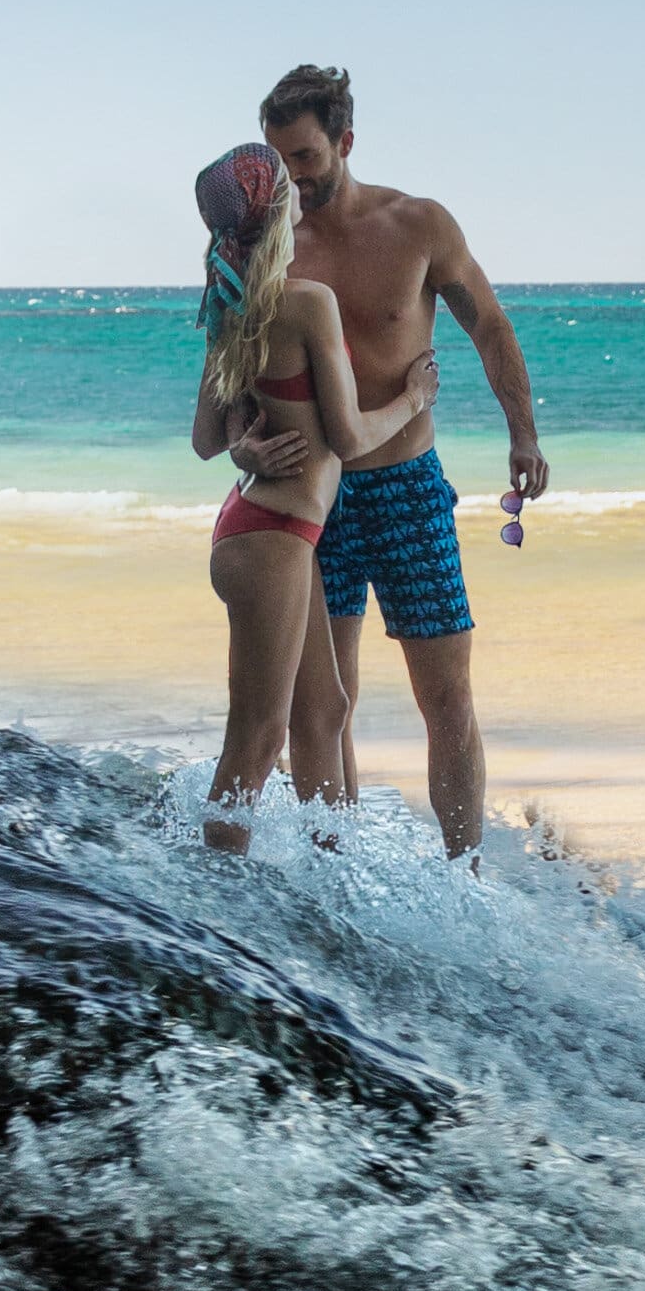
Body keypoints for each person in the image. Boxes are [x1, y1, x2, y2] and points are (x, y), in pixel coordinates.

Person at [219, 60, 552, 853]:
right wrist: (241, 441)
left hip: (407, 488)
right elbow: (234, 376)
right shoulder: (270, 249)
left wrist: (523, 432)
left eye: (304, 157)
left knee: (447, 698)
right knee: (322, 708)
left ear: (345, 142)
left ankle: (463, 874)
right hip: (311, 496)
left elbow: (490, 328)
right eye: (278, 160)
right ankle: (337, 876)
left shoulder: (418, 226)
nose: (290, 177)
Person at [186, 143, 408, 847]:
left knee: (328, 710)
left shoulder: (230, 304)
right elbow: (346, 436)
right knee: (257, 737)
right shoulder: (309, 303)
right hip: (272, 541)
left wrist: (243, 446)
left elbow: (204, 440)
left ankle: (334, 877)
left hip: (265, 531)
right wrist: (413, 400)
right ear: (281, 209)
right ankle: (214, 904)